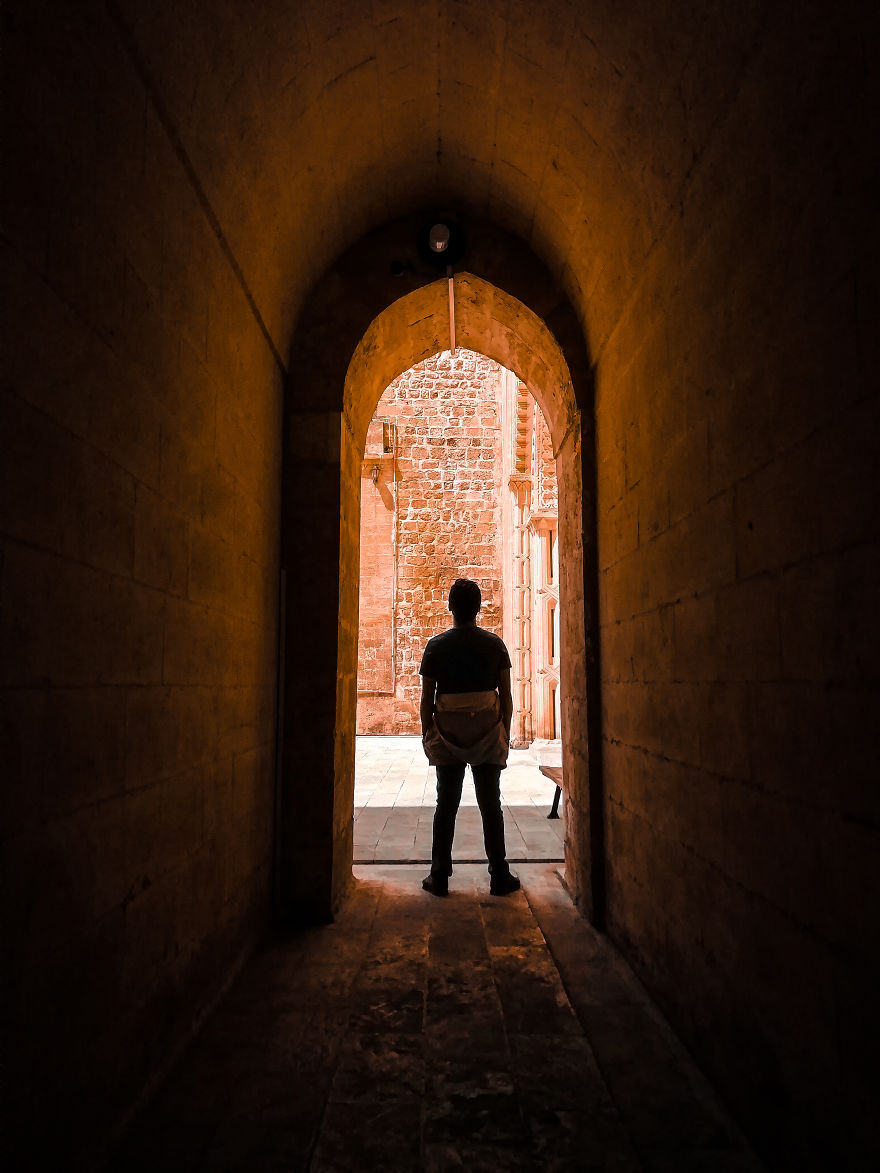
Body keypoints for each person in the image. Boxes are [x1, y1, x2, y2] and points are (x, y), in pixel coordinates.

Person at [419, 578, 521, 897]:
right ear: (479, 608)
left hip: (448, 735)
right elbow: (506, 696)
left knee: (445, 804)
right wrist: (502, 731)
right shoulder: (495, 646)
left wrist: (430, 735)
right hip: (487, 734)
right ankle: (499, 875)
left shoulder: (436, 647)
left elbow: (426, 700)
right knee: (490, 804)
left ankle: (439, 876)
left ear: (450, 607)